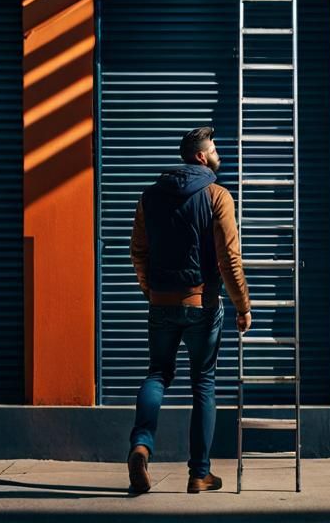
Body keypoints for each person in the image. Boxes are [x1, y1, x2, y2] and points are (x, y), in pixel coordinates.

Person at [125, 126, 252, 495]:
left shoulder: (150, 197)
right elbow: (230, 258)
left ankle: (141, 445)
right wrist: (243, 305)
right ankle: (199, 474)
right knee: (203, 384)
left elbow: (138, 251)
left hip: (161, 302)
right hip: (203, 304)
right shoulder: (218, 196)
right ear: (200, 156)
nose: (218, 154)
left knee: (158, 374)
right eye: (214, 149)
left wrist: (152, 290)